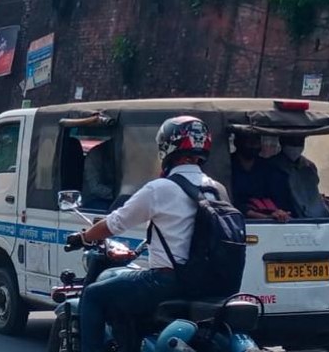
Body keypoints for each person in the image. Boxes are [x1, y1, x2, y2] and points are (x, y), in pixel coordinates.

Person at [67, 116, 228, 352]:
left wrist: (84, 237)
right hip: (211, 284)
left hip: (167, 282)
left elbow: (115, 223)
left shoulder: (161, 188)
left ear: (167, 147)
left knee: (93, 296)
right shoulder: (217, 189)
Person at [231, 133, 294, 222]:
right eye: (249, 140)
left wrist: (279, 214)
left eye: (257, 140)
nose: (253, 144)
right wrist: (265, 217)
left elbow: (280, 199)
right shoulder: (227, 167)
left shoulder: (268, 168)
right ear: (237, 142)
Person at [273, 136, 329, 219]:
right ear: (282, 142)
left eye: (300, 141)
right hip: (287, 219)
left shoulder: (309, 167)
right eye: (292, 142)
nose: (296, 145)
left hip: (317, 220)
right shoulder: (271, 167)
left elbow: (313, 194)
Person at [82, 140, 116, 211]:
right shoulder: (95, 155)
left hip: (116, 197)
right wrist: (116, 193)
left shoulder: (127, 153)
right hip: (93, 199)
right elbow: (94, 188)